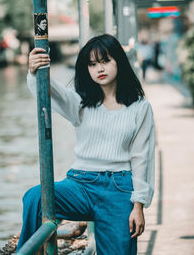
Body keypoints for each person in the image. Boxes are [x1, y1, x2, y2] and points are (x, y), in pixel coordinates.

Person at [17, 34, 155, 255]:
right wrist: (35, 70)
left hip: (119, 190)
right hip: (80, 184)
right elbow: (49, 93)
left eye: (105, 61)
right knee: (35, 197)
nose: (99, 68)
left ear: (118, 61)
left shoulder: (140, 108)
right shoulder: (80, 103)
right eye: (92, 64)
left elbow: (142, 157)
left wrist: (139, 205)